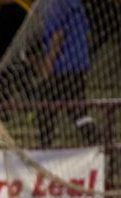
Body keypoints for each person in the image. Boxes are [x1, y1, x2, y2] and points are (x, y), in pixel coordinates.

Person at [36, 0, 99, 148]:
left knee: (46, 109)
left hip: (62, 67)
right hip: (78, 67)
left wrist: (47, 66)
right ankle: (97, 142)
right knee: (77, 111)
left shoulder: (57, 3)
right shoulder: (76, 4)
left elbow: (58, 35)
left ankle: (45, 148)